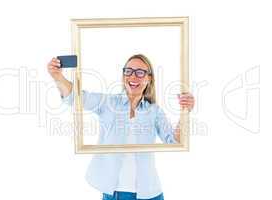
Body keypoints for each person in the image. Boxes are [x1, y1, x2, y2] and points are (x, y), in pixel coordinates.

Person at [47, 54, 195, 200]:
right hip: (117, 193)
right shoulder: (108, 103)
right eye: (128, 71)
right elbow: (75, 97)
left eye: (140, 72)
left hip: (150, 193)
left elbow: (175, 142)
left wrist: (185, 112)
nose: (133, 76)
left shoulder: (154, 111)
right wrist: (58, 77)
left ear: (149, 78)